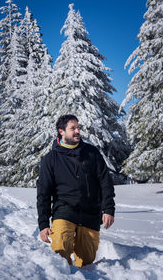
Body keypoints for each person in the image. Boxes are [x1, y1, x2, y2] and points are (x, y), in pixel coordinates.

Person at [37, 114, 115, 268]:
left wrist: (108, 209)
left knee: (86, 262)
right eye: (73, 128)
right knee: (59, 251)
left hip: (91, 214)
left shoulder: (92, 153)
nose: (77, 131)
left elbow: (105, 182)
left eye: (78, 128)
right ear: (61, 131)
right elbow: (43, 193)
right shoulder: (50, 159)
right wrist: (43, 224)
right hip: (64, 211)